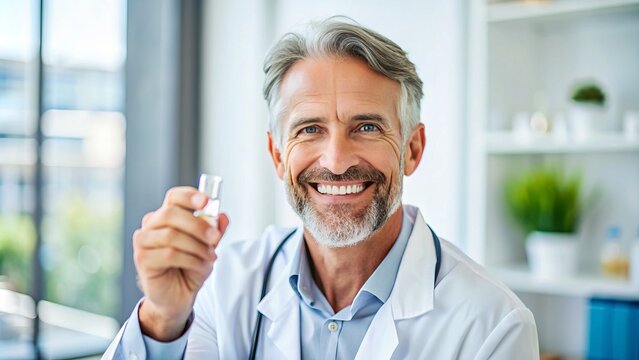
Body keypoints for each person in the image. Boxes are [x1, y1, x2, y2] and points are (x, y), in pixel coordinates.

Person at [103, 17, 539, 359]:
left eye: (366, 127)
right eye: (310, 129)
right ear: (277, 155)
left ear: (412, 148)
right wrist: (162, 317)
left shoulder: (493, 326)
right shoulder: (223, 287)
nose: (335, 160)